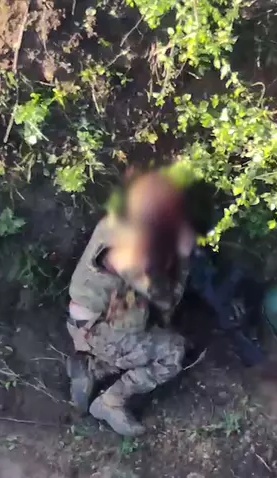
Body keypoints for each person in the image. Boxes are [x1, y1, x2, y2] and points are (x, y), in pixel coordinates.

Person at [65, 172, 198, 436]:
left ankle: (92, 369)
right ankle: (111, 402)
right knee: (173, 351)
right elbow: (165, 298)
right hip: (100, 332)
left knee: (145, 329)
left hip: (89, 321)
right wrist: (184, 258)